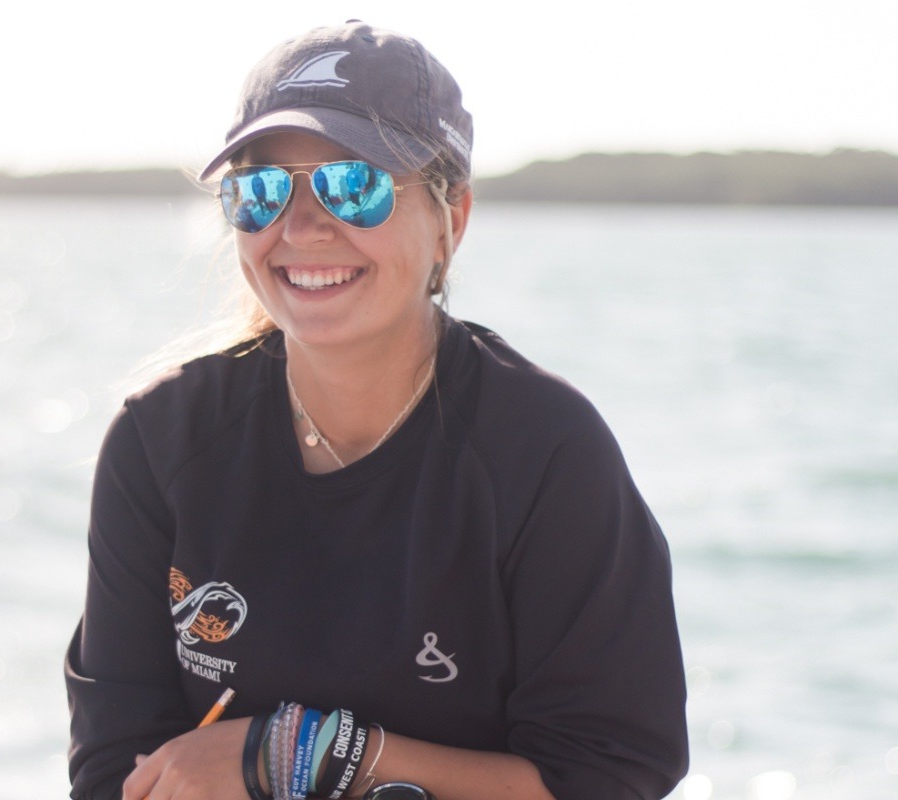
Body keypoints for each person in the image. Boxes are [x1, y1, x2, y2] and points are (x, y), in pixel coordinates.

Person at [65, 20, 688, 800]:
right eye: (262, 190)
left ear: (451, 220)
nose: (300, 228)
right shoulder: (159, 442)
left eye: (353, 185)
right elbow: (111, 774)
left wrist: (304, 754)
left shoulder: (546, 452)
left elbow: (608, 776)